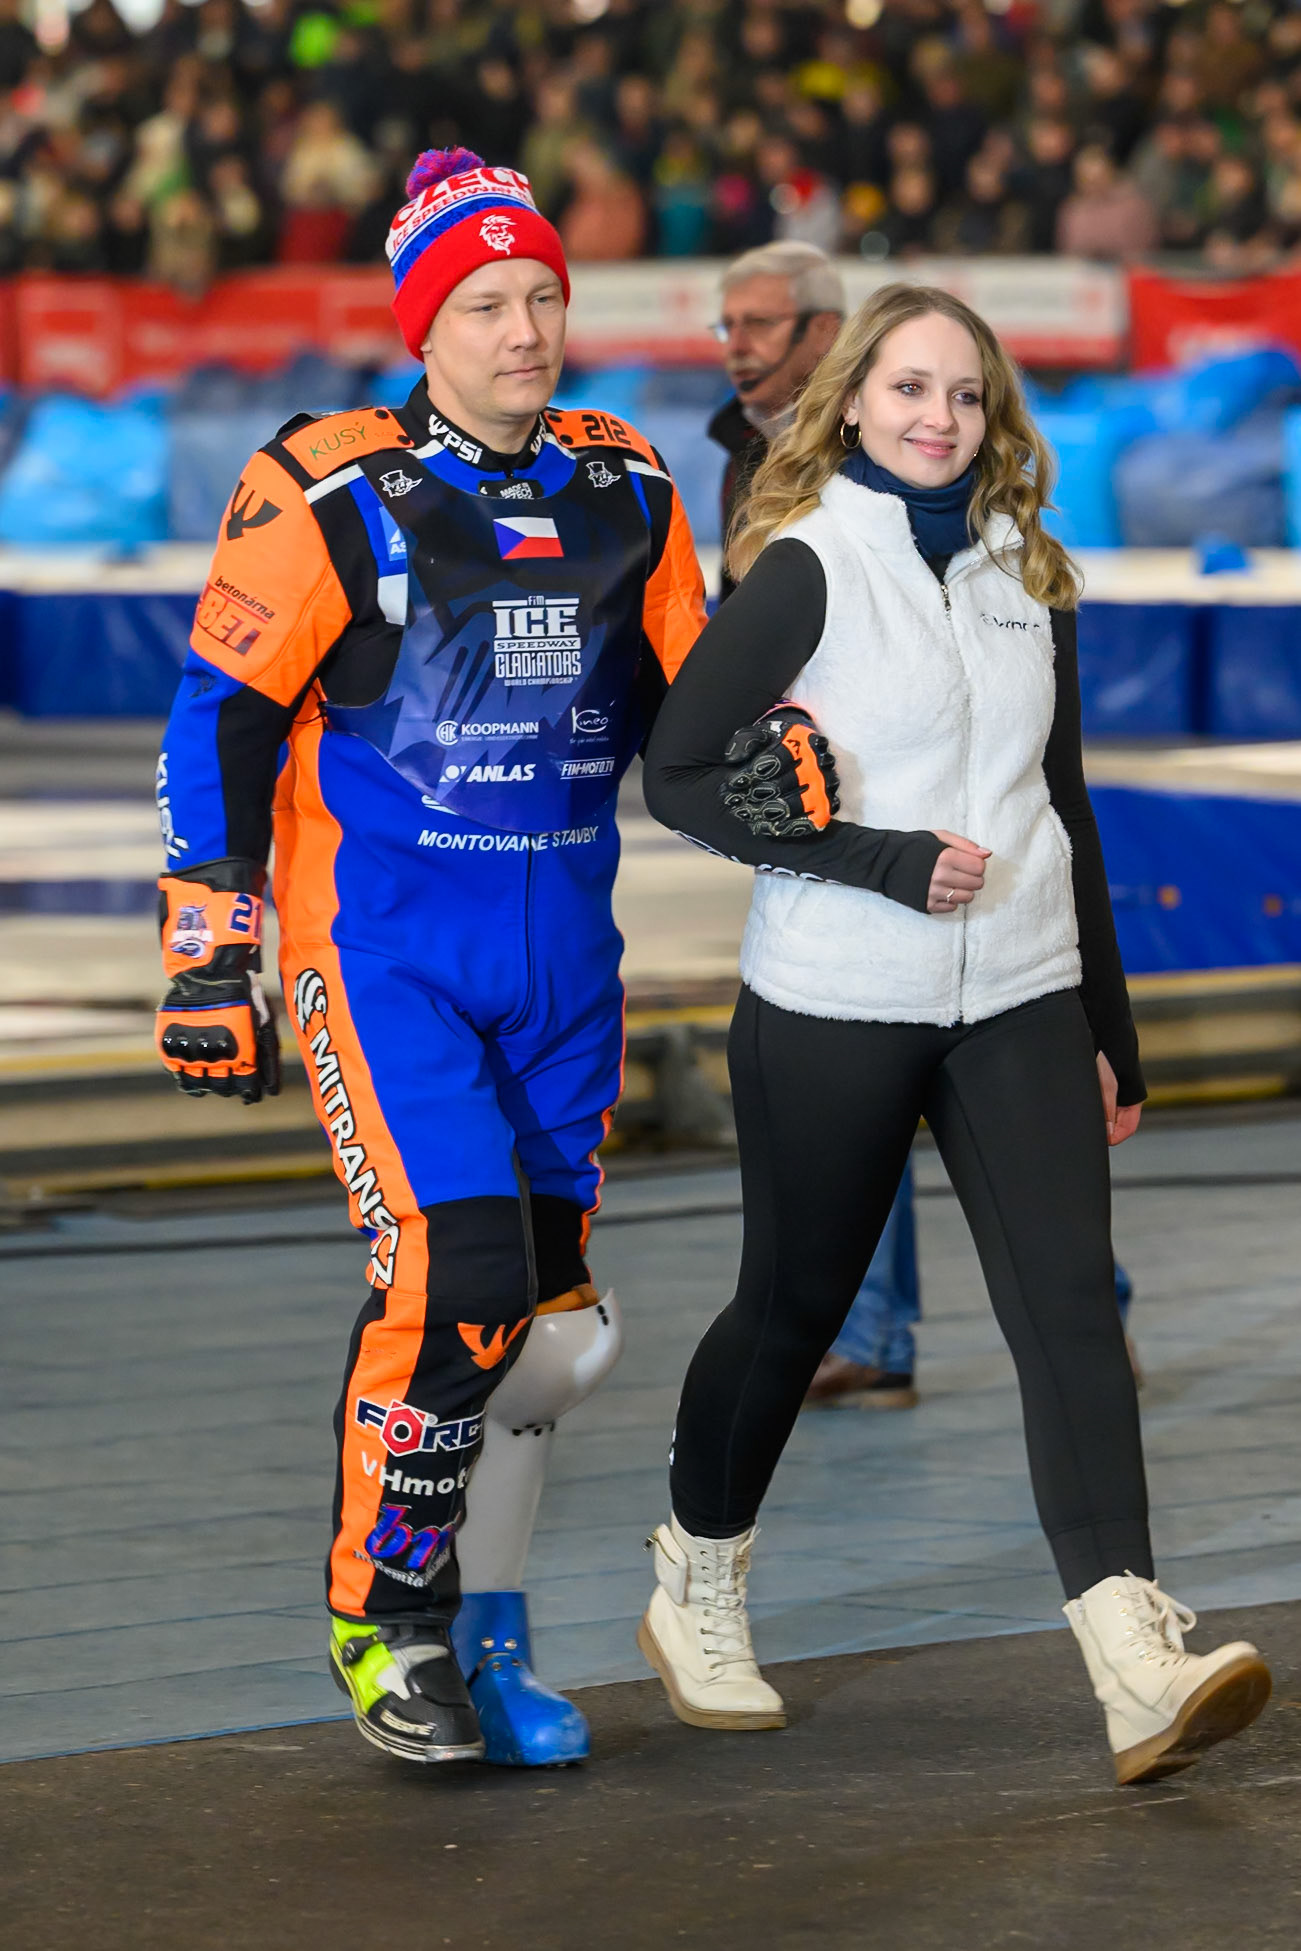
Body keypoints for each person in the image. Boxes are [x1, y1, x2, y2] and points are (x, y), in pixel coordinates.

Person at [637, 283, 1271, 1786]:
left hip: (1025, 995)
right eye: (909, 388)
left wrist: (1109, 1020)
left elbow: (1063, 799)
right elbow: (673, 773)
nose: (936, 417)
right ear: (851, 400)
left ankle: (1132, 1653)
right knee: (789, 1314)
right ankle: (697, 1570)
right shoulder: (804, 568)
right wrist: (872, 855)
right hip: (838, 997)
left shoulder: (1024, 573)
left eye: (965, 395)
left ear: (994, 416)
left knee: (1067, 1316)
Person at [153, 145, 705, 1770]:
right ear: (423, 325)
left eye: (543, 293)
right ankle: (381, 1613)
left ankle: (484, 1620)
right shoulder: (326, 481)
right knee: (453, 1278)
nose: (525, 329)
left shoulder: (632, 482)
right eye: (484, 303)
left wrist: (776, 754)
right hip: (383, 962)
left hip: (565, 980)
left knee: (541, 1330)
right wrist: (209, 941)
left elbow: (693, 711)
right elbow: (223, 716)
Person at [705, 240, 845, 602]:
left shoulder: (873, 446)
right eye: (727, 327)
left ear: (826, 330)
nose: (735, 347)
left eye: (759, 324)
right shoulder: (742, 444)